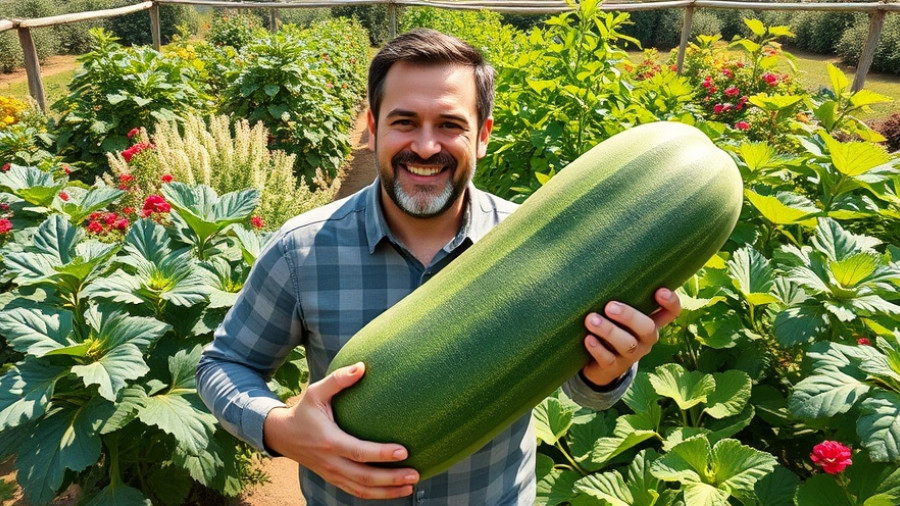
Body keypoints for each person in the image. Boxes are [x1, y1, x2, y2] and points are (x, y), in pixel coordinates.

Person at [196, 28, 681, 505]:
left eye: (450, 125)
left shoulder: (545, 245)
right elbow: (226, 364)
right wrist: (280, 429)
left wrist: (606, 370)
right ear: (373, 128)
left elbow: (588, 392)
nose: (426, 147)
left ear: (483, 135)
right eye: (405, 122)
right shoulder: (301, 249)